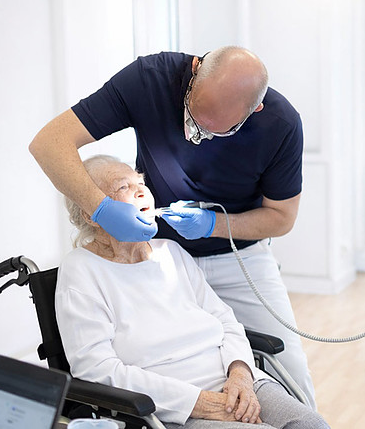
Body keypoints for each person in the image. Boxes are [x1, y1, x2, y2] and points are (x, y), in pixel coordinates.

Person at [29, 46, 317, 409]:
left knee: (293, 376)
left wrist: (214, 224)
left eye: (219, 131)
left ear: (253, 111)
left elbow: (282, 218)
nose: (199, 137)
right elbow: (49, 143)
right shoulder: (147, 81)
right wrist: (100, 207)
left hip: (235, 254)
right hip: (154, 255)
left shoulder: (282, 124)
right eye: (195, 120)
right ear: (195, 72)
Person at [55, 155, 328, 429]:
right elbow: (96, 370)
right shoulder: (82, 270)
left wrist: (241, 374)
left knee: (311, 424)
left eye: (140, 181)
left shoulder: (171, 251)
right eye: (122, 187)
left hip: (235, 382)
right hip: (171, 407)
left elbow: (226, 321)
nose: (141, 190)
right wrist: (200, 402)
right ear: (91, 214)